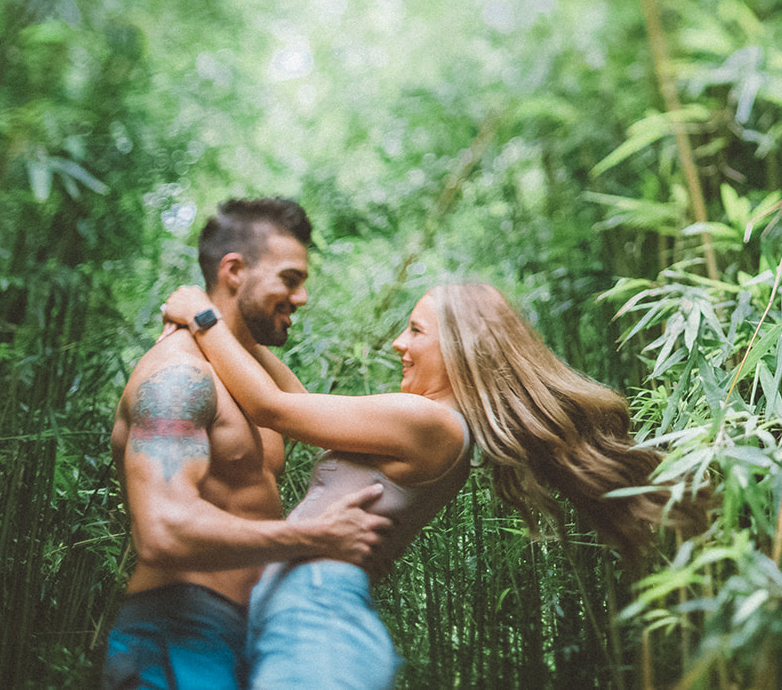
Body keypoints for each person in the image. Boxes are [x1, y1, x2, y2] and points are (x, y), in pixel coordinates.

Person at [162, 280, 705, 690]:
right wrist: (234, 331)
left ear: (465, 350)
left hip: (318, 621)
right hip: (297, 616)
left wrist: (203, 317)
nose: (398, 342)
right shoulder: (427, 424)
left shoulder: (433, 425)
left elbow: (272, 408)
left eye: (416, 331)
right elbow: (298, 400)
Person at [104, 198, 393, 690]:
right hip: (177, 630)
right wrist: (316, 537)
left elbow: (313, 420)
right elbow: (162, 531)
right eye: (290, 278)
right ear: (234, 270)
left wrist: (208, 320)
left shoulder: (253, 382)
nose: (300, 297)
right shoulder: (178, 375)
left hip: (248, 634)